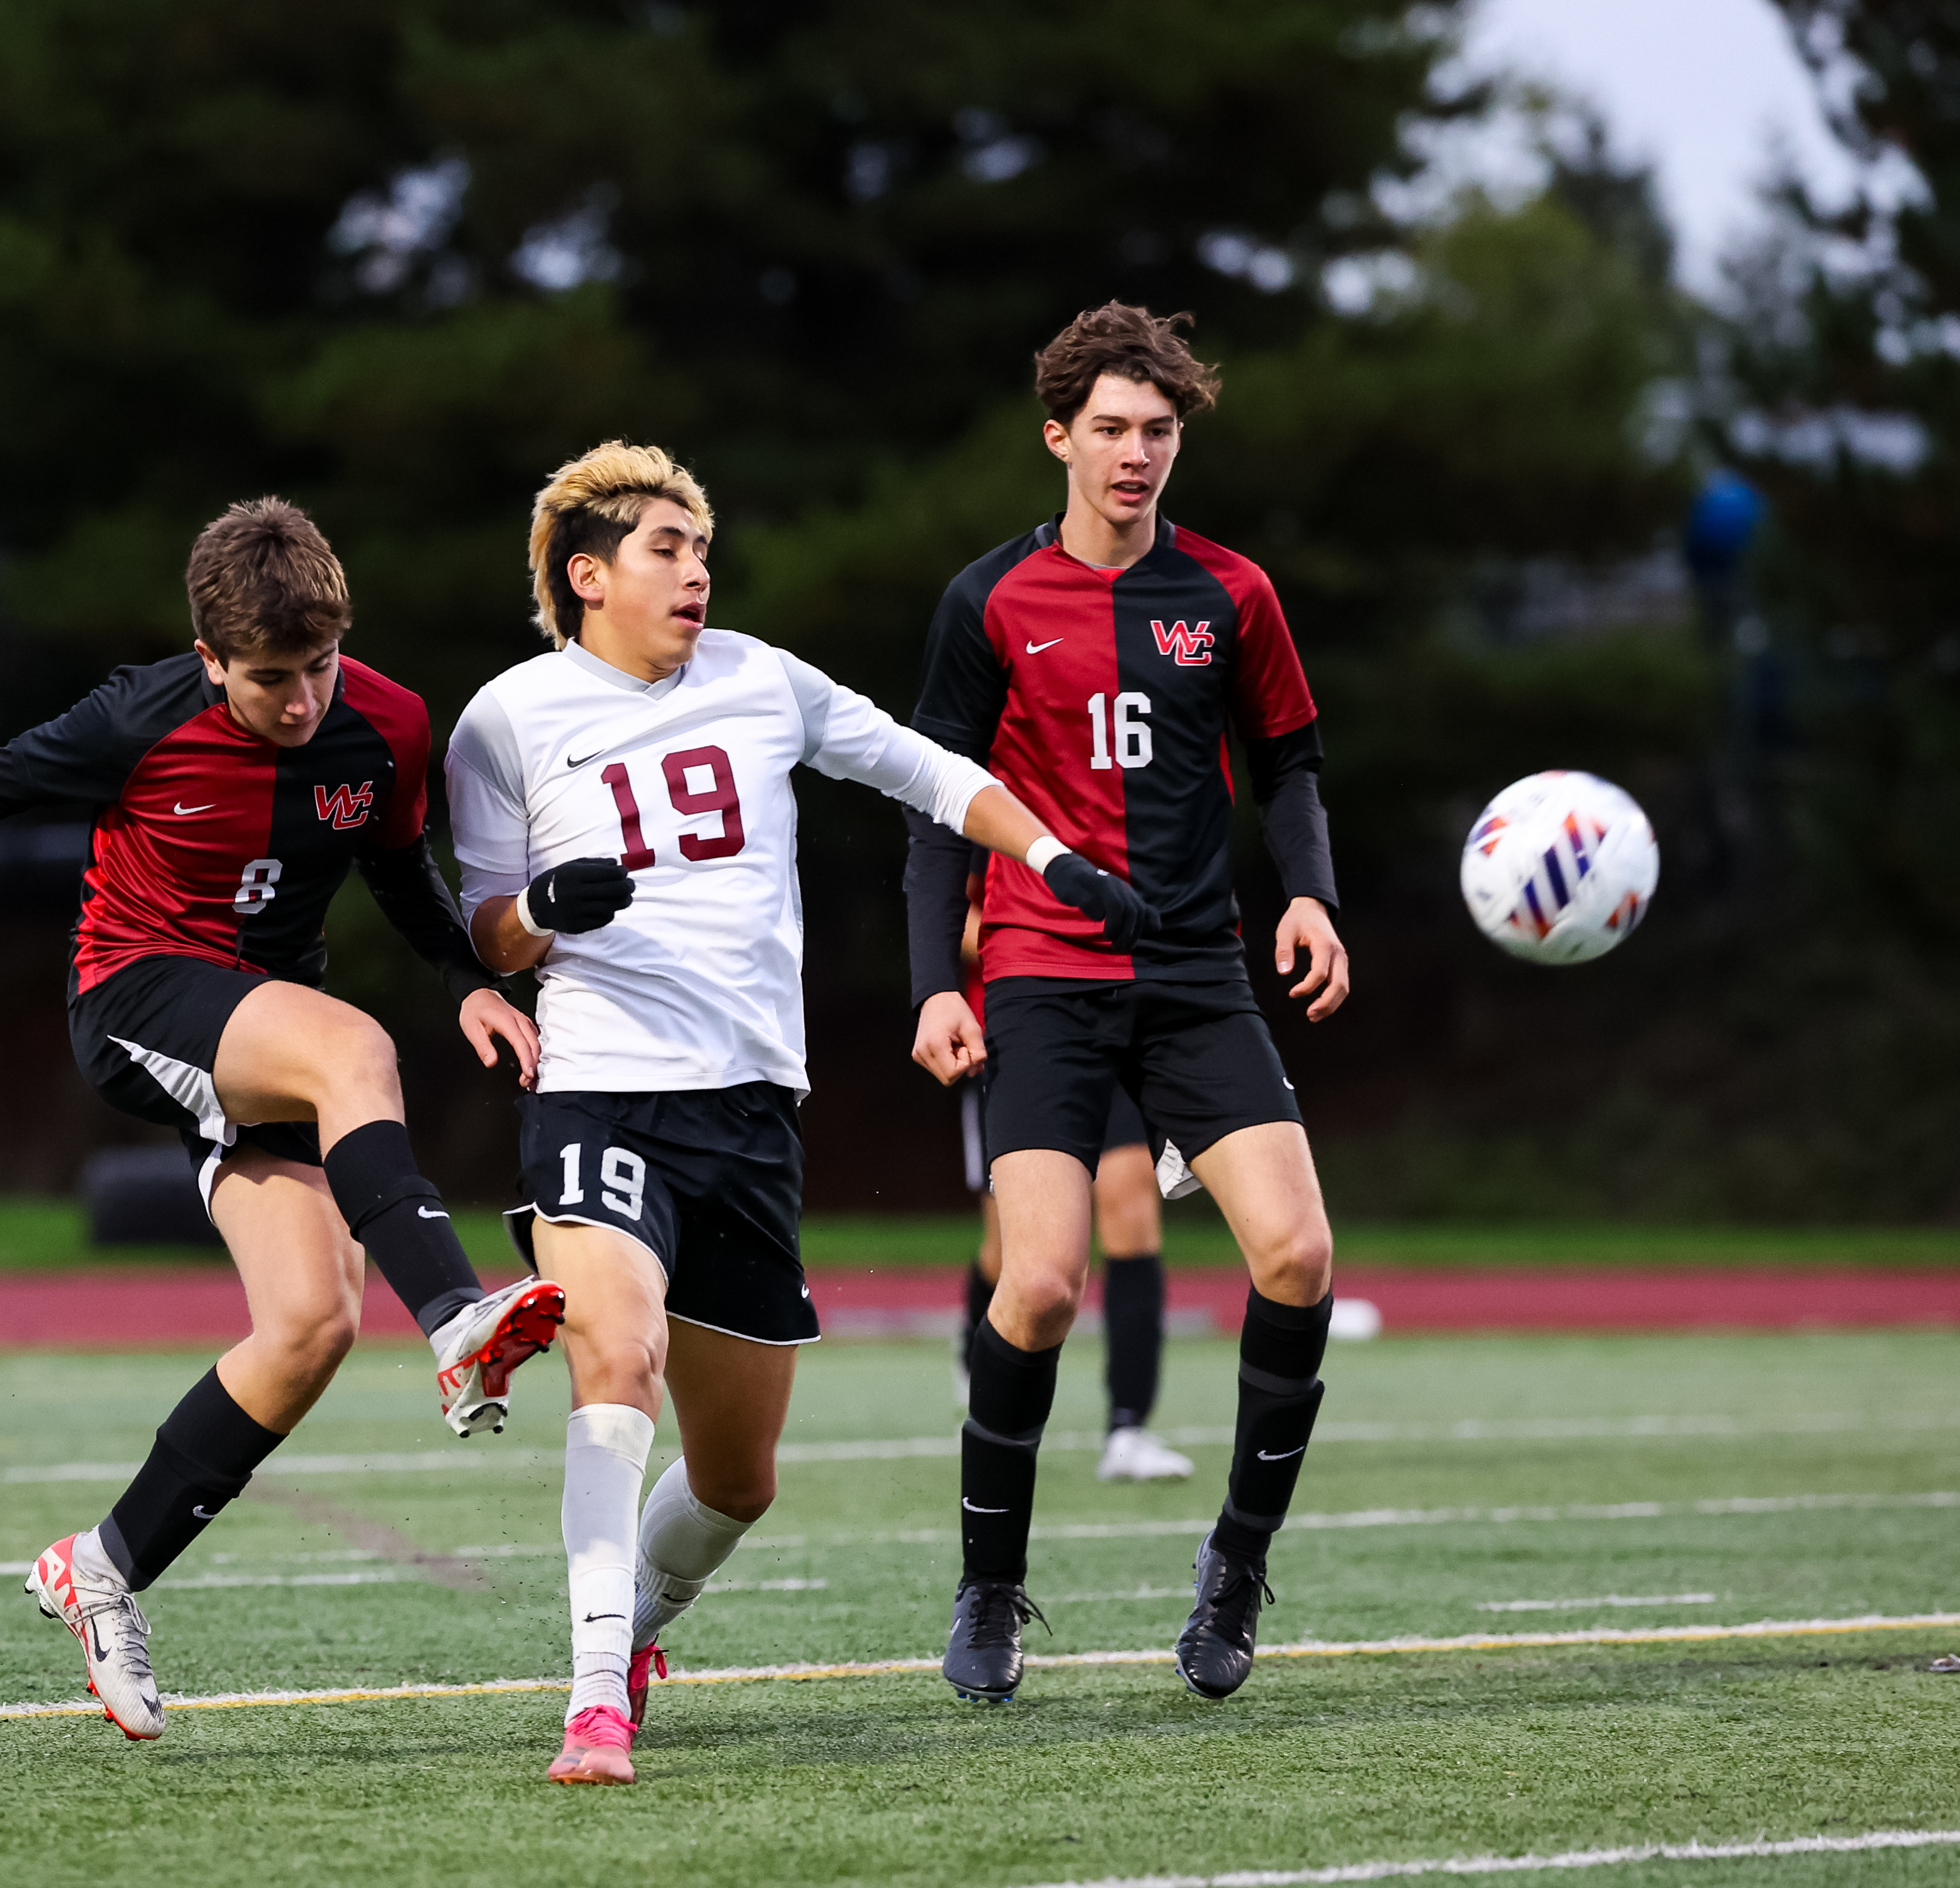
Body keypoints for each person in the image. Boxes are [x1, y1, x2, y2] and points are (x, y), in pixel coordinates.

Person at [0, 499, 565, 1741]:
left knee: (312, 1324)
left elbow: (398, 869)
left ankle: (102, 1567)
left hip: (262, 1025)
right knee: (353, 1050)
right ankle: (454, 1318)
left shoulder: (386, 722)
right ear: (209, 658)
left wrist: (470, 983)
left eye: (319, 668)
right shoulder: (137, 718)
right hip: (135, 996)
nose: (300, 702)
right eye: (268, 679)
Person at [445, 441, 1151, 1785]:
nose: (696, 570)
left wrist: (1054, 858)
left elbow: (928, 772)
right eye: (665, 548)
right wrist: (539, 915)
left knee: (737, 1478)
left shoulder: (762, 679)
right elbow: (485, 930)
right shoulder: (507, 719)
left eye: (701, 548)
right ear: (585, 575)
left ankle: (639, 1628)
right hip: (597, 1083)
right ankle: (593, 1693)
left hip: (752, 1109)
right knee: (617, 1353)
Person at [904, 303, 1350, 1705]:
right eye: (1109, 428)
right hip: (1039, 969)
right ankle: (987, 1585)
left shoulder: (1233, 594)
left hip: (1197, 974)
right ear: (1058, 437)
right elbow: (931, 808)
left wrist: (1308, 893)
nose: (1135, 453)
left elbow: (1288, 765)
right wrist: (932, 981)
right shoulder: (986, 601)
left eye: (1158, 430)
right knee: (1036, 1283)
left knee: (1295, 1255)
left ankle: (1234, 1565)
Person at [954, 865, 1191, 1482]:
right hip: (1026, 1028)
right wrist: (1057, 935)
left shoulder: (1137, 790)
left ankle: (1128, 1426)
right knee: (1013, 1251)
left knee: (1132, 1206)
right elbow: (949, 920)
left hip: (1125, 1023)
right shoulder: (995, 787)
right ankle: (974, 1350)